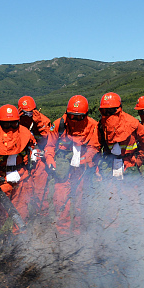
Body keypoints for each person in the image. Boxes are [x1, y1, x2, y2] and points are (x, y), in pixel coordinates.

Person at [44, 95, 100, 234]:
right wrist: (50, 159)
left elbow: (95, 147)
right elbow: (49, 145)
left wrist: (88, 158)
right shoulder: (59, 124)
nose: (74, 119)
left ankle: (78, 233)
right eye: (72, 116)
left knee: (81, 201)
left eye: (79, 117)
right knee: (60, 200)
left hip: (82, 169)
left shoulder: (93, 126)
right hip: (63, 168)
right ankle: (62, 235)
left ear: (86, 115)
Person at [0, 104, 38, 238]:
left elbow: (32, 144)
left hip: (21, 178)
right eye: (6, 124)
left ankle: (19, 240)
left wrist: (34, 152)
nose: (10, 128)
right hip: (2, 180)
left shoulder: (25, 134)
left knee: (22, 211)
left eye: (14, 124)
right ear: (0, 123)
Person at [96, 92, 144, 179]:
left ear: (118, 108)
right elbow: (97, 145)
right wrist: (97, 165)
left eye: (110, 110)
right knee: (111, 191)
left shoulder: (132, 122)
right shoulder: (101, 125)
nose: (108, 113)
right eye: (105, 111)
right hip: (110, 164)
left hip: (129, 163)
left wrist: (139, 158)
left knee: (131, 190)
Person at [18, 95, 51, 214]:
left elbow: (50, 138)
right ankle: (26, 217)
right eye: (25, 113)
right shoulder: (17, 121)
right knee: (24, 190)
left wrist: (39, 123)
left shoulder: (44, 120)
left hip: (39, 161)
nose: (28, 116)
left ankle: (43, 217)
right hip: (23, 160)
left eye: (30, 113)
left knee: (40, 190)